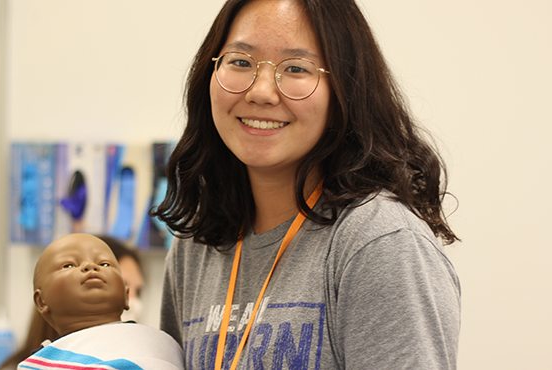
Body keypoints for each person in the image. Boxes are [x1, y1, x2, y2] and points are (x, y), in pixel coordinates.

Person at [150, 0, 461, 369]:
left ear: (344, 90)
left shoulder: (379, 243)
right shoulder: (197, 242)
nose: (261, 92)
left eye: (296, 68)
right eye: (240, 62)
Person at [16, 233, 183, 370]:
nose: (90, 266)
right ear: (42, 301)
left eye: (104, 264)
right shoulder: (42, 363)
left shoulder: (161, 345)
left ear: (125, 294)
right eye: (68, 266)